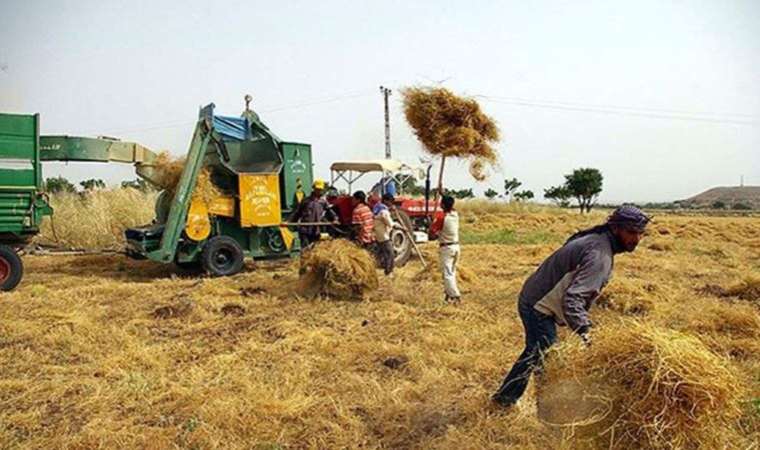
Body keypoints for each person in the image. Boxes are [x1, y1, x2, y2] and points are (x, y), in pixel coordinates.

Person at [491, 205, 651, 408]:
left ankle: (508, 399)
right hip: (538, 305)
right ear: (615, 228)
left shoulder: (597, 240)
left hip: (534, 296)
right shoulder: (599, 255)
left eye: (640, 233)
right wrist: (587, 333)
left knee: (536, 353)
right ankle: (538, 408)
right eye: (631, 232)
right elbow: (573, 299)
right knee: (545, 358)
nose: (636, 239)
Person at [429, 195, 461, 303]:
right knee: (452, 272)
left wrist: (431, 225)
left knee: (447, 274)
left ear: (442, 205)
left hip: (446, 248)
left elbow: (432, 235)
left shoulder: (442, 218)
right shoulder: (455, 215)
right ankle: (448, 294)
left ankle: (455, 296)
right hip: (456, 247)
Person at [288, 179, 336, 248]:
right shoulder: (306, 201)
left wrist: (335, 219)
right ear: (313, 188)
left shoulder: (323, 202)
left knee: (315, 250)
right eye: (317, 189)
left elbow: (330, 211)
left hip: (316, 230)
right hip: (305, 229)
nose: (318, 191)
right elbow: (297, 213)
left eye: (320, 189)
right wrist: (289, 222)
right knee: (305, 249)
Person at [373, 193, 396, 275]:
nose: (391, 204)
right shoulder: (383, 211)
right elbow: (390, 223)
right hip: (383, 236)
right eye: (390, 202)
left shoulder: (377, 207)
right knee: (390, 254)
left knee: (380, 253)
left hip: (377, 234)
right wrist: (400, 227)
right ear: (386, 201)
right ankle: (389, 272)